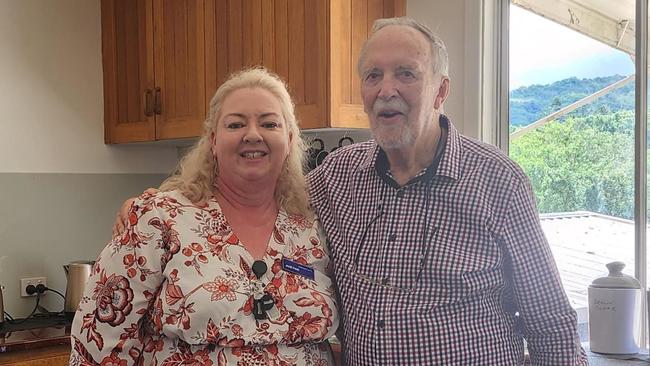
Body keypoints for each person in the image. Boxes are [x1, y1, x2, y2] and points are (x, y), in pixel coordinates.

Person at [114, 17, 587, 365]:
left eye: (406, 73)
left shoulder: (499, 183)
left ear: (441, 90)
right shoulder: (337, 178)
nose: (387, 90)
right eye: (373, 75)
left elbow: (552, 326)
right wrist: (155, 205)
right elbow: (251, 186)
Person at [70, 68, 339, 366]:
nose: (252, 134)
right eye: (236, 124)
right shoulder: (157, 219)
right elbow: (97, 342)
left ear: (288, 140)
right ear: (213, 140)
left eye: (269, 123)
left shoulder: (314, 222)